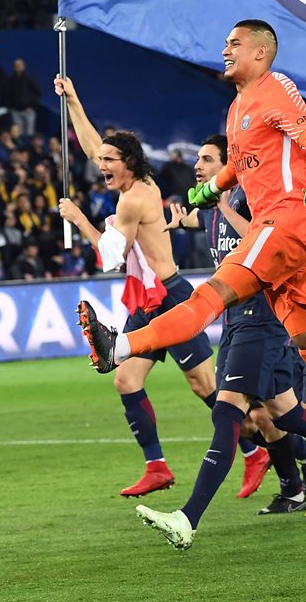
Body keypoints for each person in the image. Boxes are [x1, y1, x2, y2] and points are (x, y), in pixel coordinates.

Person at [74, 20, 306, 549]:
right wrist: (211, 189)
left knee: (210, 296)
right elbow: (243, 166)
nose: (225, 49)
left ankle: (120, 346)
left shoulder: (276, 88)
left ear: (261, 53)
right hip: (288, 238)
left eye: (235, 44)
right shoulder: (238, 106)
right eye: (224, 42)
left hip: (284, 222)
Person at [54, 76, 220, 498]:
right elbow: (92, 146)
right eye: (103, 161)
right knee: (126, 380)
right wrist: (73, 100)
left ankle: (263, 447)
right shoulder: (133, 181)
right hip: (147, 300)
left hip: (170, 296)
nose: (101, 165)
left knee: (206, 387)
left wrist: (78, 218)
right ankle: (157, 467)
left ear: (128, 162)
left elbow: (110, 256)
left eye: (110, 161)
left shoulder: (133, 198)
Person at [165, 134, 306, 513]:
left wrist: (222, 204)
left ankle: (190, 515)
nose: (197, 166)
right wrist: (178, 221)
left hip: (262, 315)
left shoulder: (251, 197)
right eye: (197, 159)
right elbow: (197, 219)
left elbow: (261, 239)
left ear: (229, 166)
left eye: (207, 159)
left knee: (235, 413)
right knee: (275, 415)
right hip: (236, 316)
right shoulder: (209, 207)